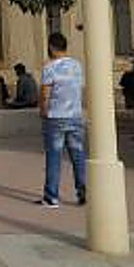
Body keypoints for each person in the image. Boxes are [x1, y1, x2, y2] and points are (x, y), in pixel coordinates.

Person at [38, 32, 86, 208]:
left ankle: (51, 196)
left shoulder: (49, 68)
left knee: (54, 156)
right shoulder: (77, 66)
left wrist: (43, 112)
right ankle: (83, 192)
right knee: (78, 155)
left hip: (56, 117)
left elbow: (45, 93)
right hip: (75, 115)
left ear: (51, 47)